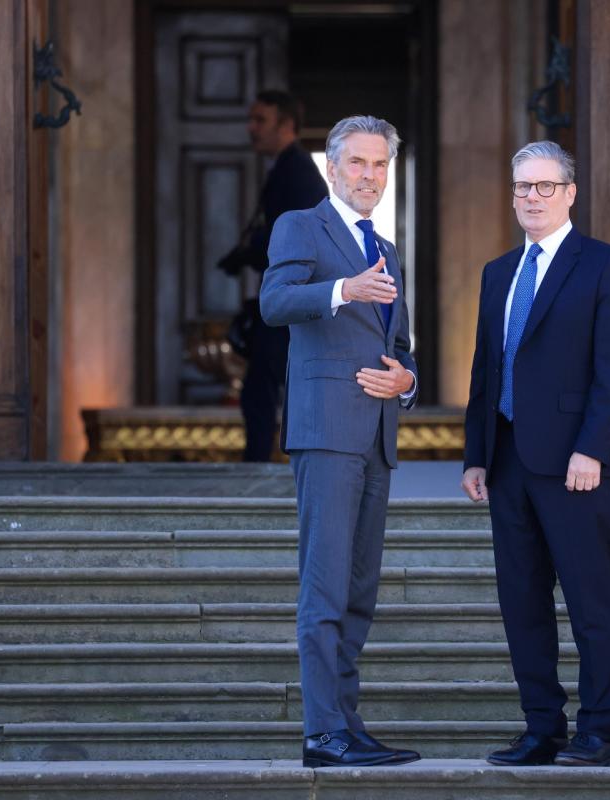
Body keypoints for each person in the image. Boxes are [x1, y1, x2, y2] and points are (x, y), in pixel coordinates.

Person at [461, 141, 610, 767]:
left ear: (570, 193)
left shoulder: (606, 265)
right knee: (522, 601)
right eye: (522, 188)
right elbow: (486, 371)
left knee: (589, 598)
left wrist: (593, 448)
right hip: (507, 460)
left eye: (543, 187)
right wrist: (475, 455)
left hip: (575, 463)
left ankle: (599, 730)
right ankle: (543, 727)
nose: (531, 198)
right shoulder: (497, 272)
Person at [260, 114, 420, 768]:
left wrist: (407, 383)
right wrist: (341, 290)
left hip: (377, 436)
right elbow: (273, 301)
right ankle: (322, 733)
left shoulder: (386, 248)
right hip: (326, 432)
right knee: (324, 589)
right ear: (333, 168)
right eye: (358, 163)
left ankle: (348, 725)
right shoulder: (302, 225)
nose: (370, 176)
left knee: (358, 591)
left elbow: (400, 346)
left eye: (380, 165)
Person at [218, 90, 328, 462]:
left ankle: (262, 467)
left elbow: (295, 230)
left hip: (291, 299)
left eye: (260, 120)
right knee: (264, 386)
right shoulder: (286, 167)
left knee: (266, 387)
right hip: (288, 296)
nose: (251, 128)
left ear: (286, 126)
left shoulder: (295, 169)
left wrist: (247, 252)